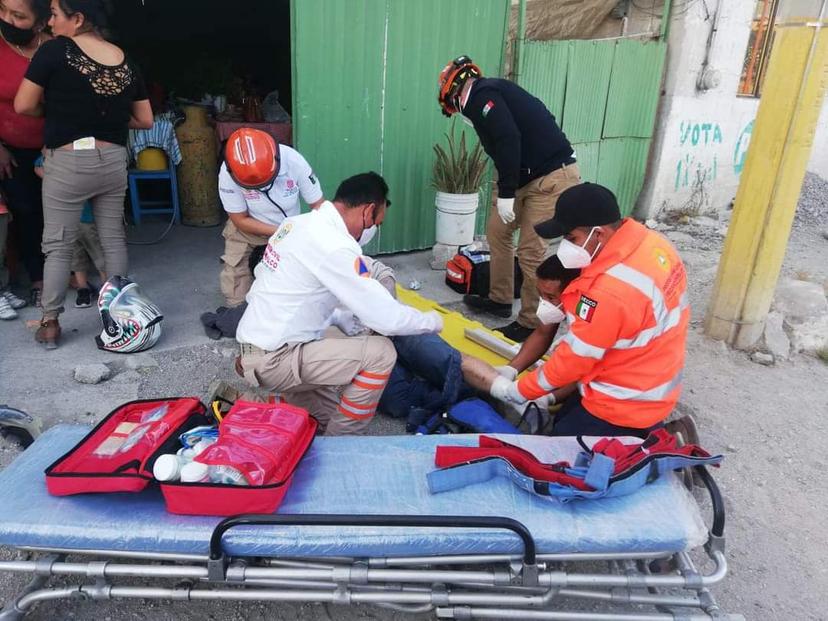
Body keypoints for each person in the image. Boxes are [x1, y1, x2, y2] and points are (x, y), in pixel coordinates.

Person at [235, 172, 443, 436]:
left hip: (256, 349)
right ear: (368, 211)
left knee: (331, 417)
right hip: (277, 359)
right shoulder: (336, 245)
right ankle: (342, 448)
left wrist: (333, 317)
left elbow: (276, 285)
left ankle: (255, 408)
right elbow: (385, 318)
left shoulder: (296, 225)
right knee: (380, 353)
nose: (372, 231)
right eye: (376, 223)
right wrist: (432, 321)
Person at [482, 183, 689, 438]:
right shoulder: (654, 245)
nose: (565, 247)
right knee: (565, 412)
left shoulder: (608, 290)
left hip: (624, 403)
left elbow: (573, 361)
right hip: (653, 382)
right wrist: (514, 370)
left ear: (599, 234)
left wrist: (516, 391)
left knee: (559, 449)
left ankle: (646, 442)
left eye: (571, 239)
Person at [14, 0, 153, 348]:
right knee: (112, 237)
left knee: (58, 245)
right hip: (112, 160)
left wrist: (60, 111)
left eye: (56, 14)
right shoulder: (123, 58)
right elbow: (145, 119)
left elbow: (23, 105)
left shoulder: (54, 52)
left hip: (69, 161)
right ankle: (122, 316)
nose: (49, 22)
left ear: (77, 19)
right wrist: (106, 120)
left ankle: (49, 323)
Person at [437, 55, 582, 343]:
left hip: (551, 177)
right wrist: (508, 190)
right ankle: (500, 299)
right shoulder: (488, 95)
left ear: (454, 93)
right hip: (526, 176)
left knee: (530, 250)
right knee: (498, 232)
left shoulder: (482, 96)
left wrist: (505, 193)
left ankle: (530, 323)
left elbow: (508, 139)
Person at [219, 127, 324, 307]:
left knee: (299, 291)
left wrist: (308, 236)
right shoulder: (228, 173)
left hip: (290, 227)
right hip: (247, 229)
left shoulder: (294, 161)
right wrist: (280, 232)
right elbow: (239, 219)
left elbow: (319, 206)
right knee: (237, 304)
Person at [0, 0, 51, 309]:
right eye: (2, 10)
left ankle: (75, 273)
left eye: (18, 16)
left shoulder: (58, 47)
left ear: (41, 22)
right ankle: (38, 279)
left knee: (60, 213)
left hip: (56, 147)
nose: (6, 20)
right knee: (26, 211)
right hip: (10, 150)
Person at [34, 153, 105, 307]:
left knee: (100, 254)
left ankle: (110, 289)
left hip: (87, 217)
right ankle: (83, 289)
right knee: (75, 256)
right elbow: (38, 167)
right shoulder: (50, 153)